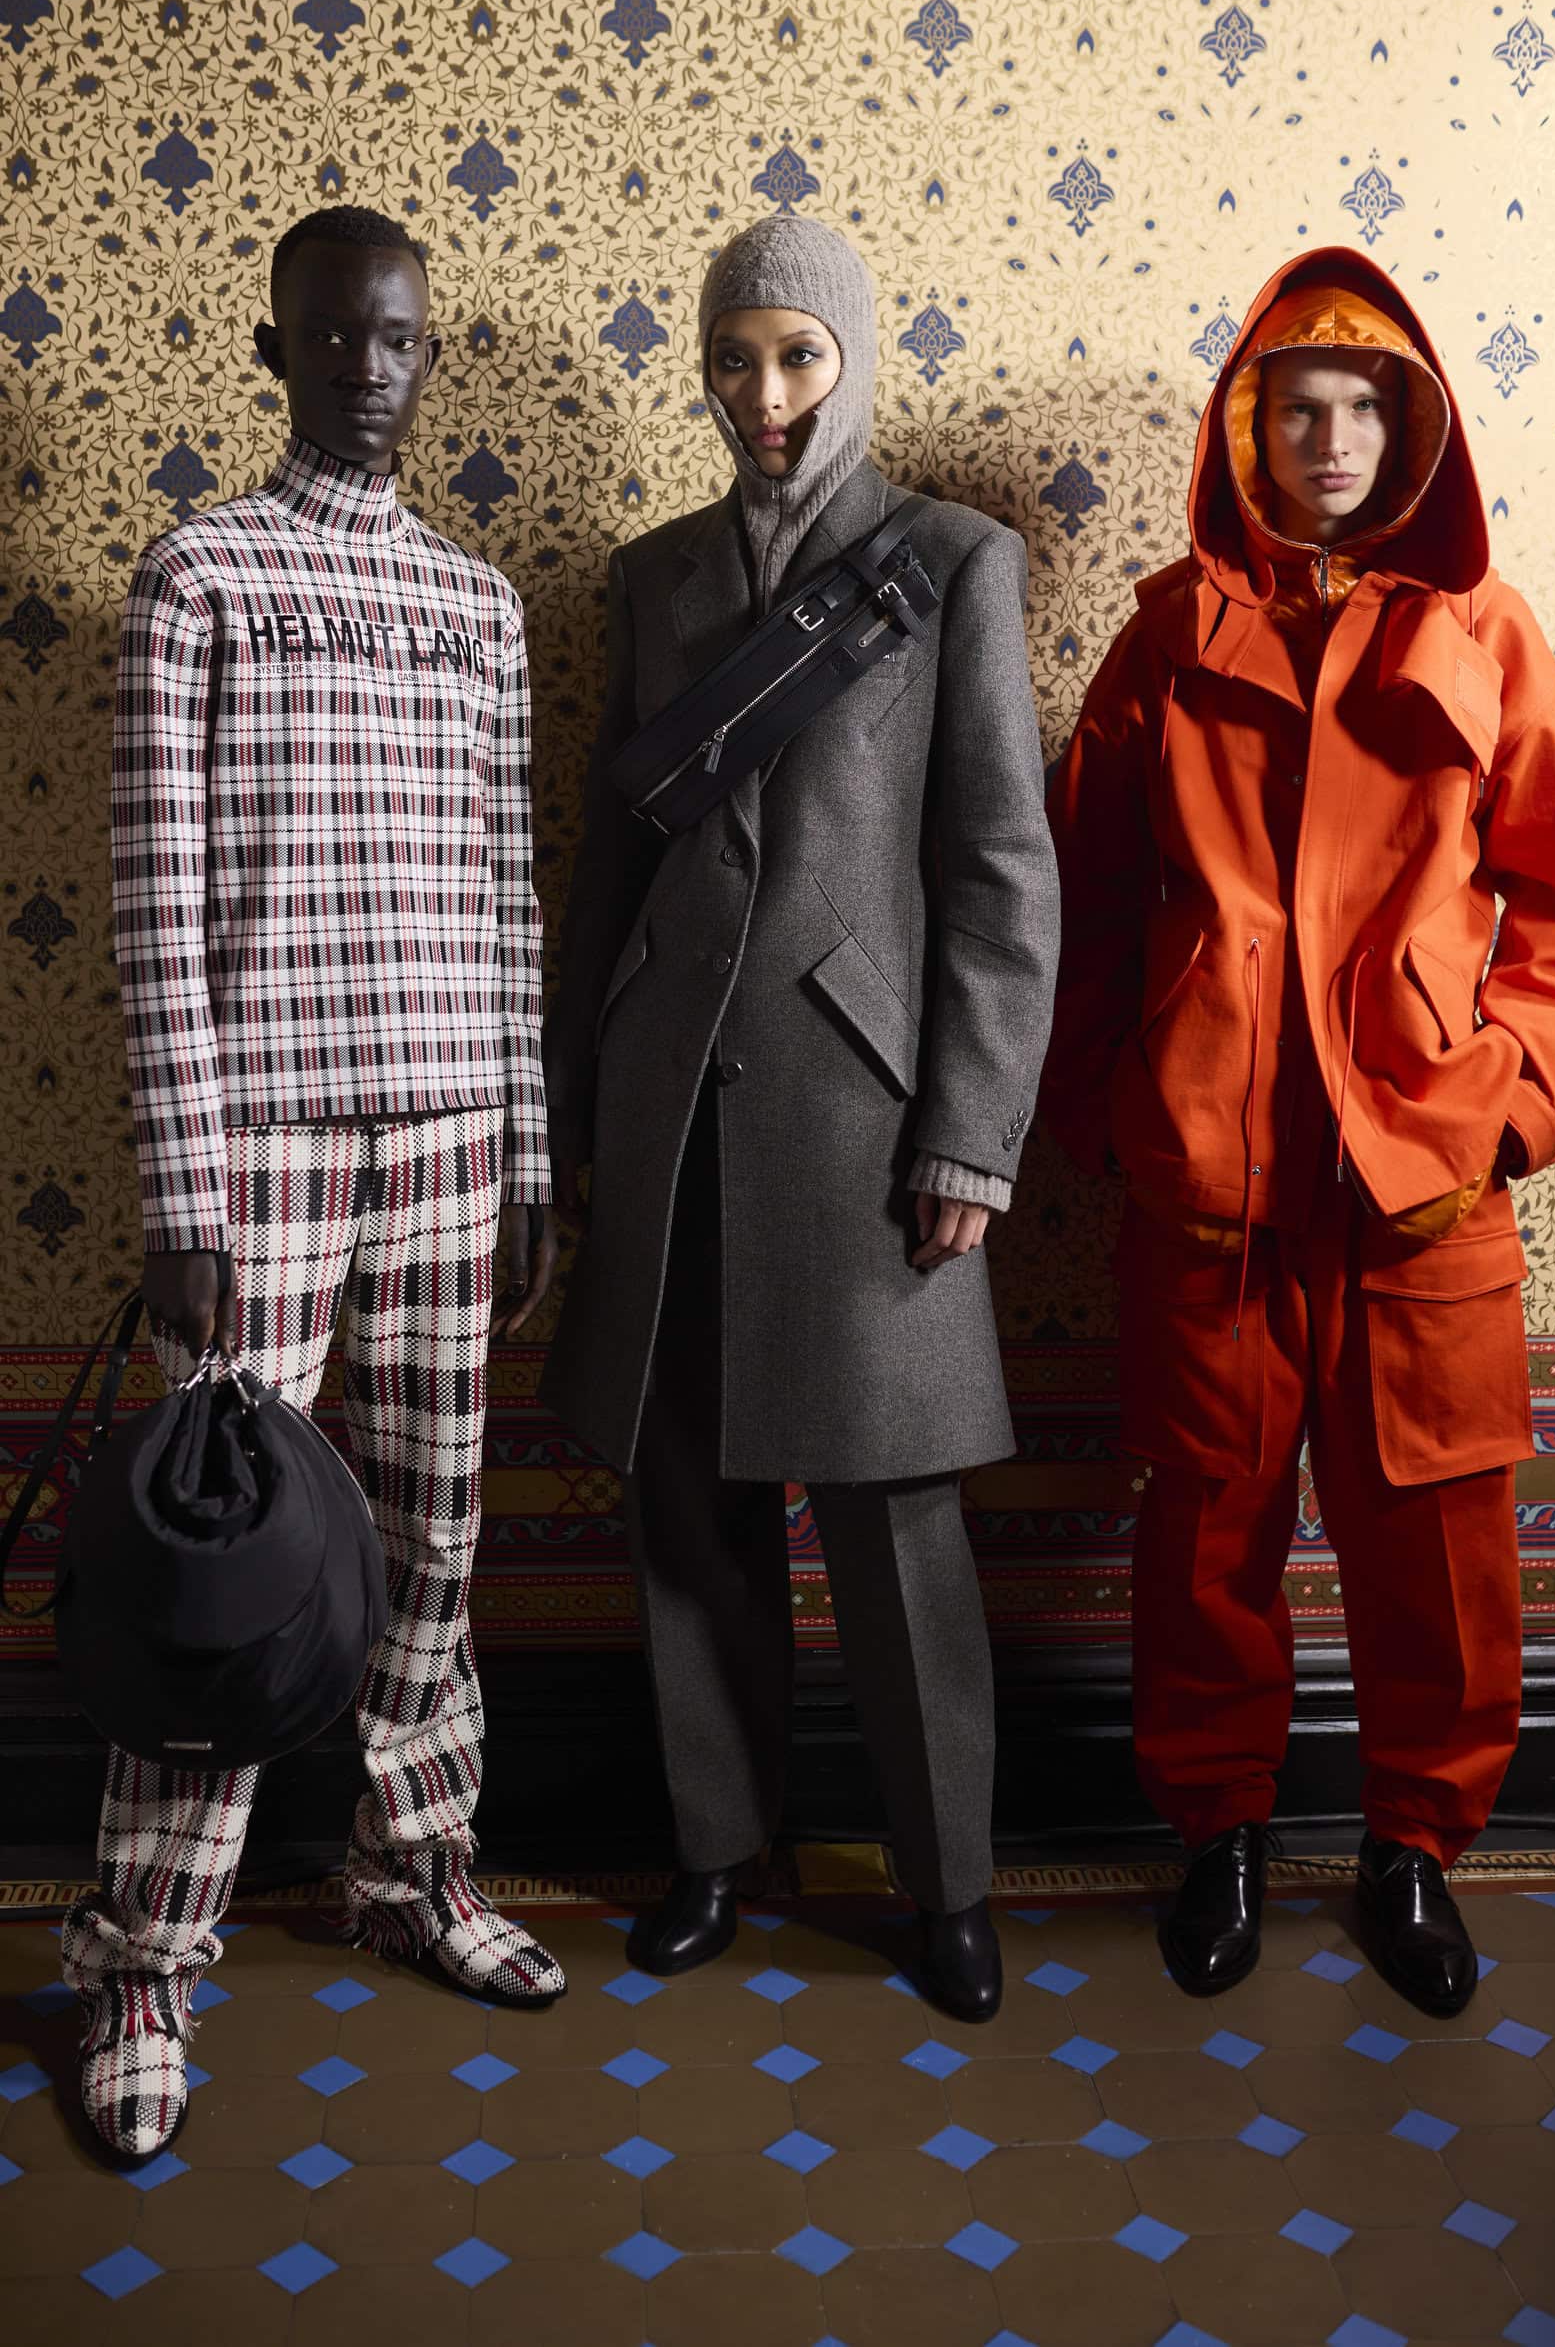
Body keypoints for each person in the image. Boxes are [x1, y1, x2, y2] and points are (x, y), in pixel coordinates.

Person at [1043, 248, 1555, 2016]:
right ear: (1245, 432)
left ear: (1410, 433)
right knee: (1202, 1536)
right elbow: (1076, 913)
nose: (1327, 439)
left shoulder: (1485, 634)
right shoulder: (1167, 634)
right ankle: (1217, 1837)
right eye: (1295, 408)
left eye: (1361, 409)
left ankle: (1412, 1852)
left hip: (1418, 1189)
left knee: (1437, 1551)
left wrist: (1499, 1113)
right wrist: (1109, 1114)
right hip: (1209, 1183)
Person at [68, 205, 565, 2163]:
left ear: (428, 357)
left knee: (436, 1529)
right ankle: (141, 1957)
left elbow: (506, 897)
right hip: (260, 1149)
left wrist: (527, 1150)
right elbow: (153, 904)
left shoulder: (477, 605)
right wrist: (181, 1187)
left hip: (449, 1142)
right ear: (276, 349)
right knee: (216, 1562)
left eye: (399, 340)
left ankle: (411, 1868)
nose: (369, 369)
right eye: (335, 338)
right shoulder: (196, 576)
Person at [542, 216, 1059, 2021]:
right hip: (668, 1097)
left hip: (866, 1110)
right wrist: (572, 1110)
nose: (762, 395)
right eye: (733, 358)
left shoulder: (951, 562)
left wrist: (969, 1132)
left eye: (796, 356)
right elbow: (607, 864)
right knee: (685, 1499)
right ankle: (714, 1851)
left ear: (850, 359)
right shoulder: (652, 577)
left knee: (893, 1517)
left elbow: (999, 869)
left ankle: (948, 1884)